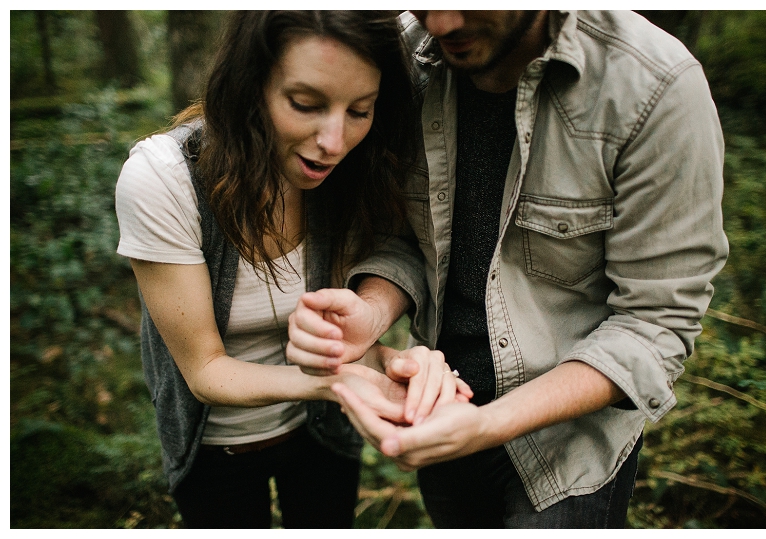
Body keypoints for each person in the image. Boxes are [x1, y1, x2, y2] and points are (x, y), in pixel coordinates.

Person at [287, 10, 729, 528]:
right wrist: (372, 309)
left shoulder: (654, 87)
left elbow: (654, 324)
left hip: (570, 451)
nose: (441, 21)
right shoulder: (406, 61)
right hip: (438, 408)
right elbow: (405, 235)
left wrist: (489, 424)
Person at [115, 10, 470, 529]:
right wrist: (338, 382)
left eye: (360, 110)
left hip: (323, 434)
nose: (334, 141)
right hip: (216, 450)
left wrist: (396, 364)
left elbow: (355, 315)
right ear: (249, 84)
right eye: (306, 104)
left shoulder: (353, 168)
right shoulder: (162, 181)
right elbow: (205, 372)